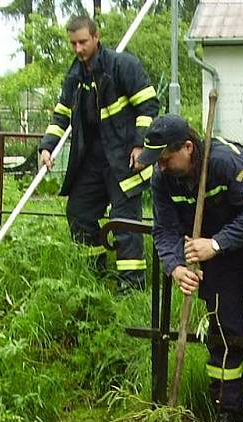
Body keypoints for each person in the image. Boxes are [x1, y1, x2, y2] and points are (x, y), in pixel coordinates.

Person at [138, 115, 243, 422]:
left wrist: (215, 243)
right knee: (224, 326)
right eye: (157, 162)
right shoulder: (162, 178)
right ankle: (228, 410)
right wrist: (175, 267)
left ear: (188, 147)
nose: (162, 167)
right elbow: (165, 230)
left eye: (166, 159)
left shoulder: (226, 162)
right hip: (216, 248)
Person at [38, 15, 159, 292]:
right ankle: (94, 276)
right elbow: (62, 115)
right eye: (73, 43)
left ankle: (131, 288)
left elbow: (149, 107)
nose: (78, 49)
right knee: (79, 213)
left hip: (124, 161)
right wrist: (47, 146)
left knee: (125, 224)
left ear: (95, 37)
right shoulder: (74, 76)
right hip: (91, 162)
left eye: (82, 42)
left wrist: (141, 145)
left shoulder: (123, 66)